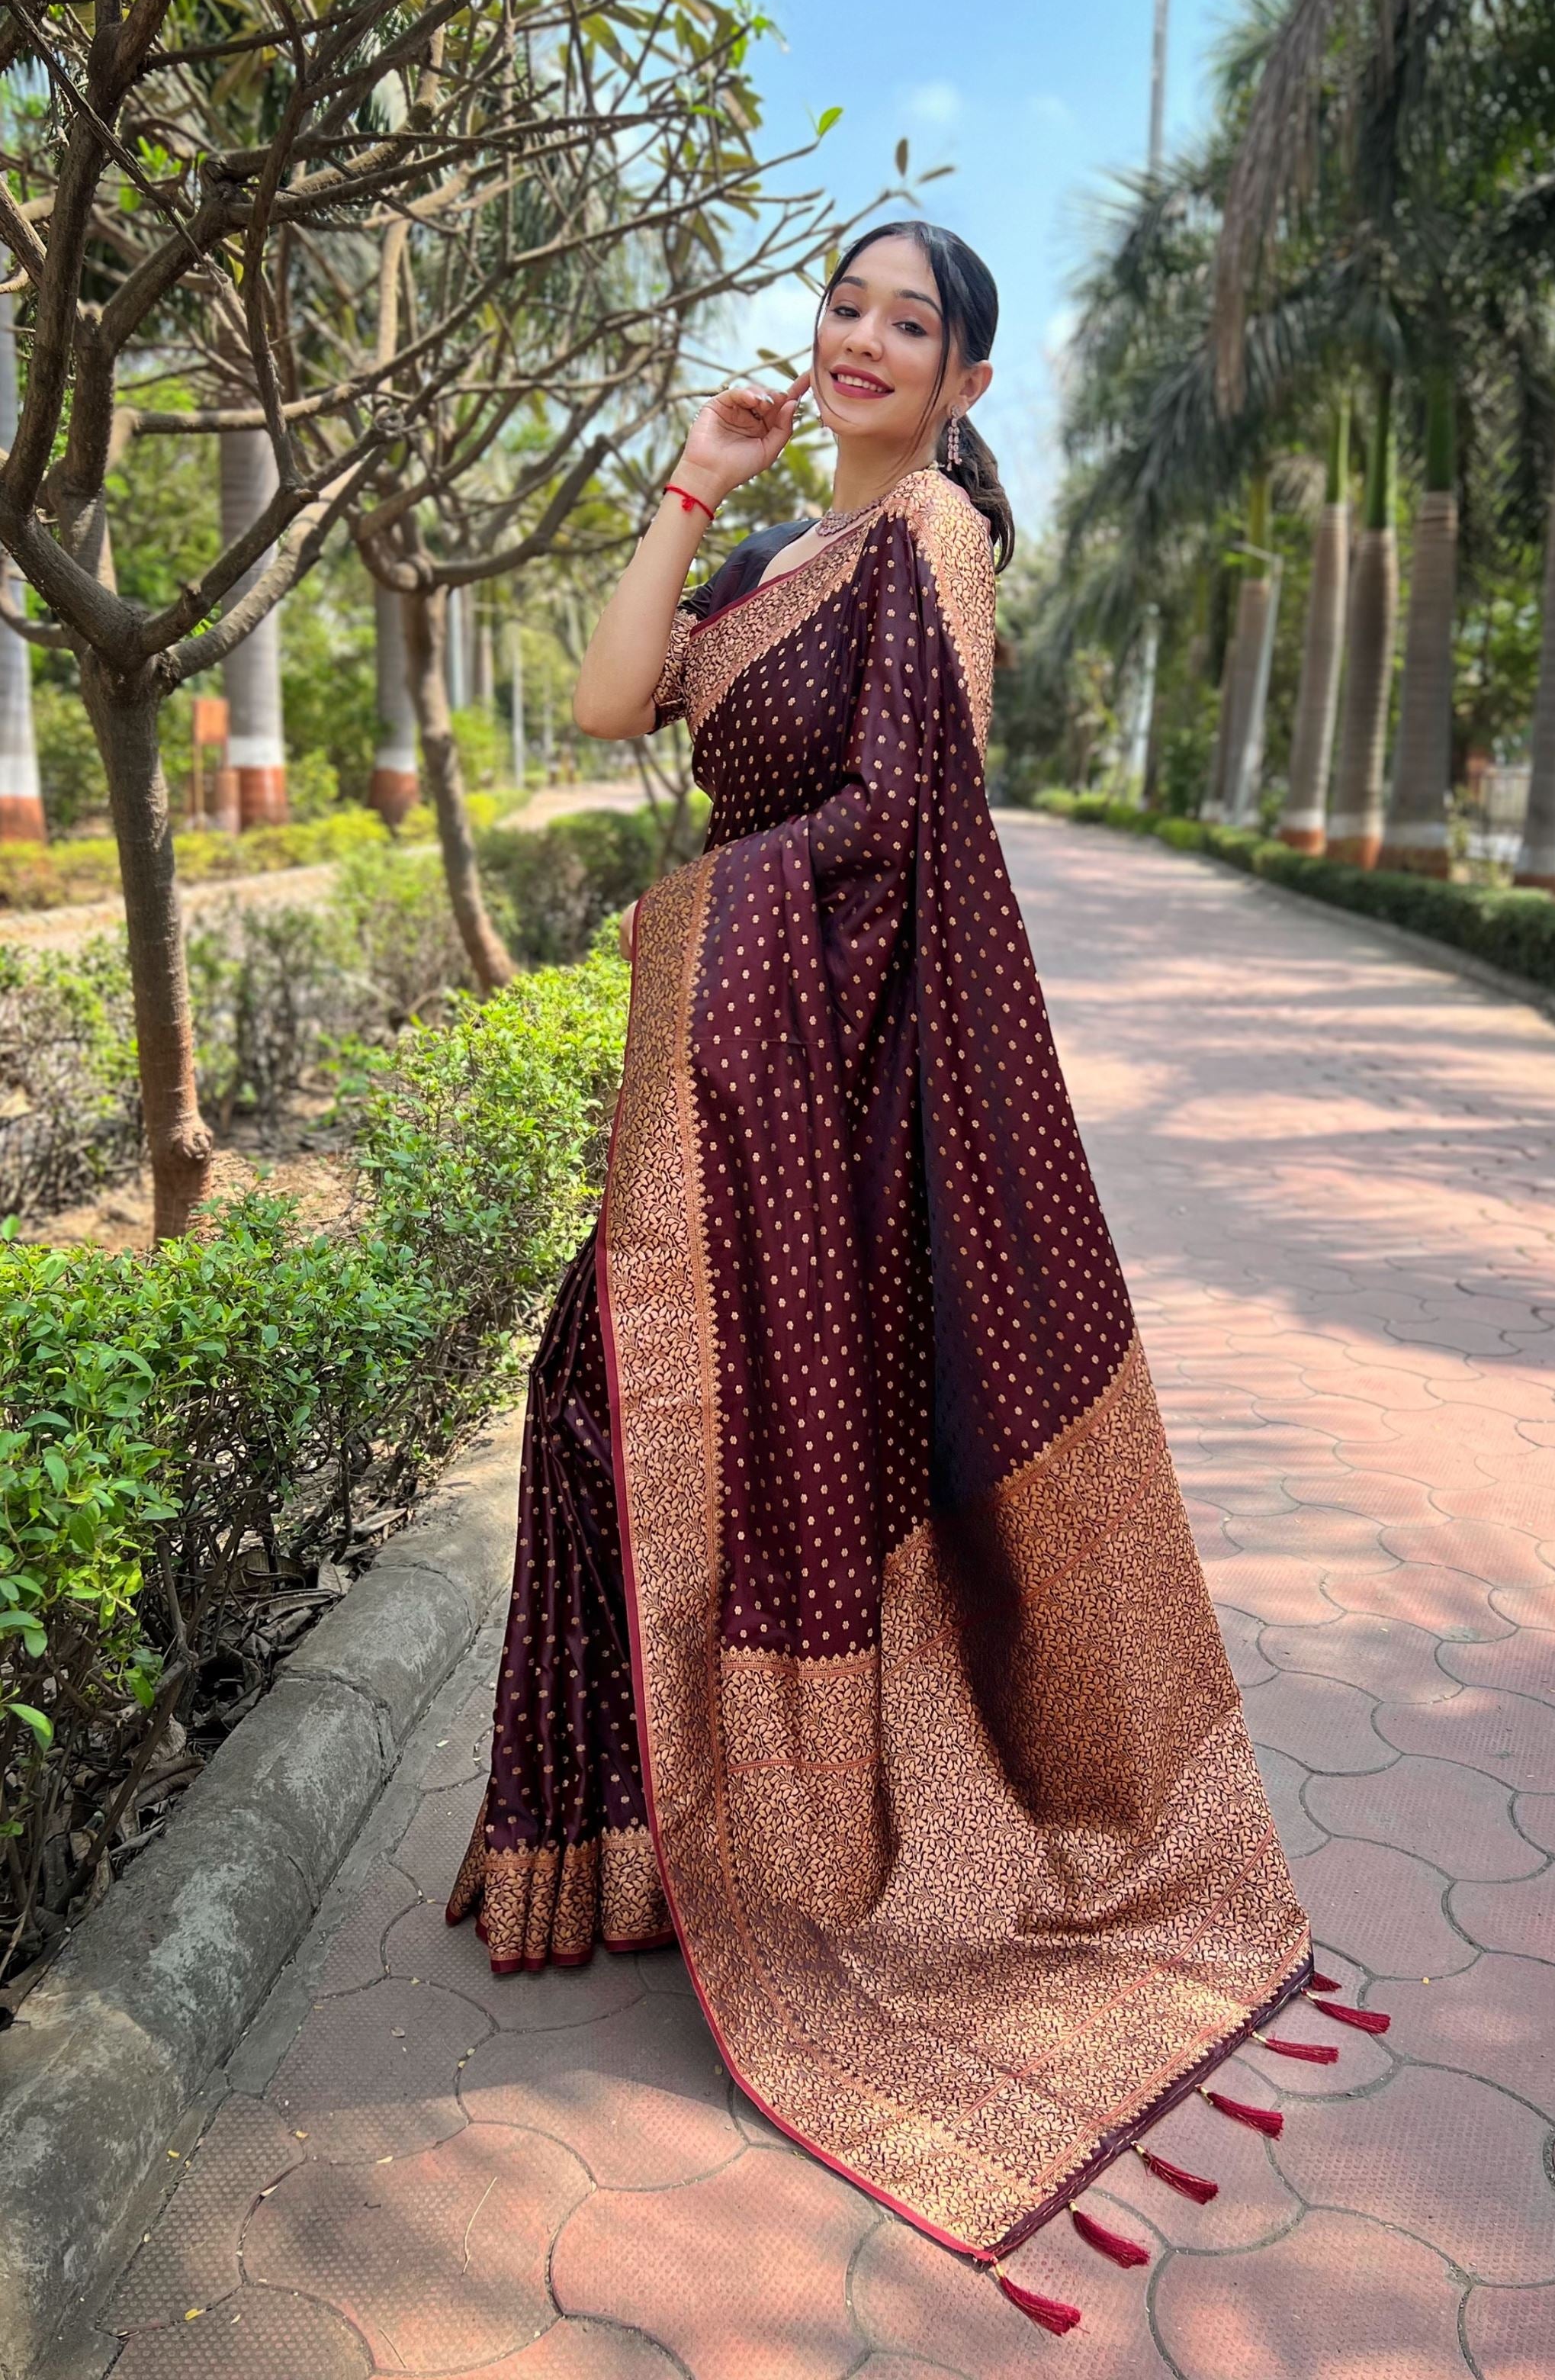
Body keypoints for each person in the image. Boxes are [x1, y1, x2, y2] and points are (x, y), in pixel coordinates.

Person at [448, 220, 1320, 2314]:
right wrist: (696, 482)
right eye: (844, 306)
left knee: (679, 1433)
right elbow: (609, 701)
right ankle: (631, 1844)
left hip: (822, 1080)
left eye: (904, 324)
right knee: (604, 1411)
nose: (857, 340)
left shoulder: (931, 537)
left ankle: (776, 1842)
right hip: (732, 1078)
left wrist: (705, 919)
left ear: (963, 383)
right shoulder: (778, 557)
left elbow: (904, 814)